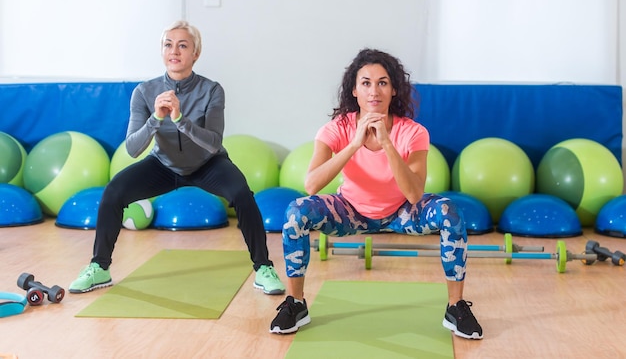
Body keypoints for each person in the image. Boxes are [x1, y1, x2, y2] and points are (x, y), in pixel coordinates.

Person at [269, 48, 483, 339]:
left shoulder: (413, 132)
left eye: (382, 82)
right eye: (366, 83)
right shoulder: (337, 128)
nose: (374, 91)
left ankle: (456, 307)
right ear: (354, 90)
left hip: (401, 212)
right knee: (296, 212)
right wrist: (355, 143)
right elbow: (312, 185)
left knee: (449, 212)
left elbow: (414, 193)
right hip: (351, 211)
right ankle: (296, 303)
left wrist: (387, 143)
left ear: (394, 90)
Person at [69, 20, 285, 296]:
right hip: (164, 165)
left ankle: (263, 268)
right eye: (168, 45)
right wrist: (156, 117)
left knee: (242, 194)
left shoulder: (212, 90)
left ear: (196, 53)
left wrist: (180, 119)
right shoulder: (144, 92)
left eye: (183, 45)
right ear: (162, 52)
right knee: (113, 192)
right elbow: (133, 148)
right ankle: (99, 267)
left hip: (208, 163)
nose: (175, 51)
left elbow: (213, 142)